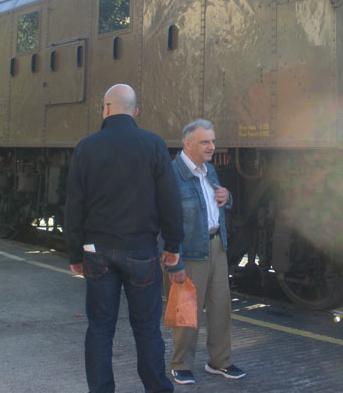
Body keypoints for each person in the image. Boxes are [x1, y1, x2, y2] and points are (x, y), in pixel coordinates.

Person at [65, 84, 184, 393]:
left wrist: (74, 254)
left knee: (100, 329)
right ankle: (157, 388)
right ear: (135, 112)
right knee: (146, 329)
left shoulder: (86, 147)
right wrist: (173, 245)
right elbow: (169, 200)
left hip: (97, 252)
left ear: (105, 109)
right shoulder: (154, 145)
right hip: (141, 251)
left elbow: (74, 206)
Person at [165, 119, 246, 385]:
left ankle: (219, 361)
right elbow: (163, 219)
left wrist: (228, 196)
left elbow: (216, 202)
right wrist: (172, 258)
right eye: (205, 142)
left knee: (221, 307)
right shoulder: (171, 174)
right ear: (187, 144)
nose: (212, 146)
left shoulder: (209, 170)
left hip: (216, 245)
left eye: (212, 140)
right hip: (188, 250)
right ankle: (180, 364)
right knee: (187, 310)